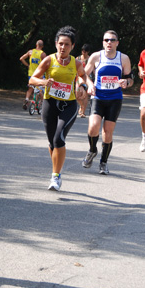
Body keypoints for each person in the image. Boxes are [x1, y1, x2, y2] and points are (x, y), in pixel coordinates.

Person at [29, 26, 88, 191]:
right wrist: (43, 82)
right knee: (51, 142)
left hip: (68, 105)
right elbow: (32, 79)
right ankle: (57, 171)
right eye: (60, 43)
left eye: (67, 44)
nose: (63, 47)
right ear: (56, 44)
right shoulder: (48, 60)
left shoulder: (76, 63)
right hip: (50, 103)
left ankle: (55, 176)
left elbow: (82, 75)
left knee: (58, 139)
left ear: (72, 46)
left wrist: (81, 86)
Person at [81, 30, 133, 175]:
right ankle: (92, 150)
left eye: (112, 40)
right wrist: (90, 85)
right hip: (98, 97)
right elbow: (84, 74)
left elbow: (130, 79)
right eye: (106, 40)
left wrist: (126, 82)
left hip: (115, 99)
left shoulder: (124, 58)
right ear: (103, 42)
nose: (109, 42)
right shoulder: (96, 56)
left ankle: (103, 162)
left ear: (117, 42)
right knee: (93, 128)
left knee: (107, 133)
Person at [20, 40, 47, 110]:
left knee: (30, 88)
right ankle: (39, 104)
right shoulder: (43, 54)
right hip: (39, 75)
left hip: (31, 74)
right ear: (42, 46)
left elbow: (21, 58)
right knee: (40, 90)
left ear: (36, 45)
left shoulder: (30, 52)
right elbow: (47, 64)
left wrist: (27, 65)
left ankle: (26, 99)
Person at [76, 44, 91, 118]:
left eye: (85, 51)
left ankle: (83, 111)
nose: (83, 52)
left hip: (87, 78)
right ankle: (81, 106)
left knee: (85, 96)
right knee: (77, 94)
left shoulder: (90, 59)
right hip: (78, 78)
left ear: (87, 52)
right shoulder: (78, 58)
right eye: (82, 51)